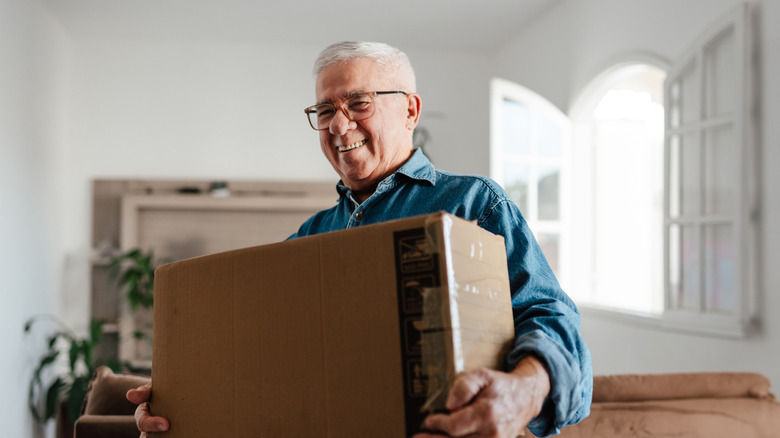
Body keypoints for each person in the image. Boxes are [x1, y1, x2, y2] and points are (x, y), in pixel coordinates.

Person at [128, 41, 592, 438]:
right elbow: (256, 348)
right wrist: (180, 397)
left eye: (359, 103)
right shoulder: (310, 236)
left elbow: (554, 320)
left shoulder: (474, 203)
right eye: (325, 110)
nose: (337, 124)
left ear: (410, 109)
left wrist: (525, 393)